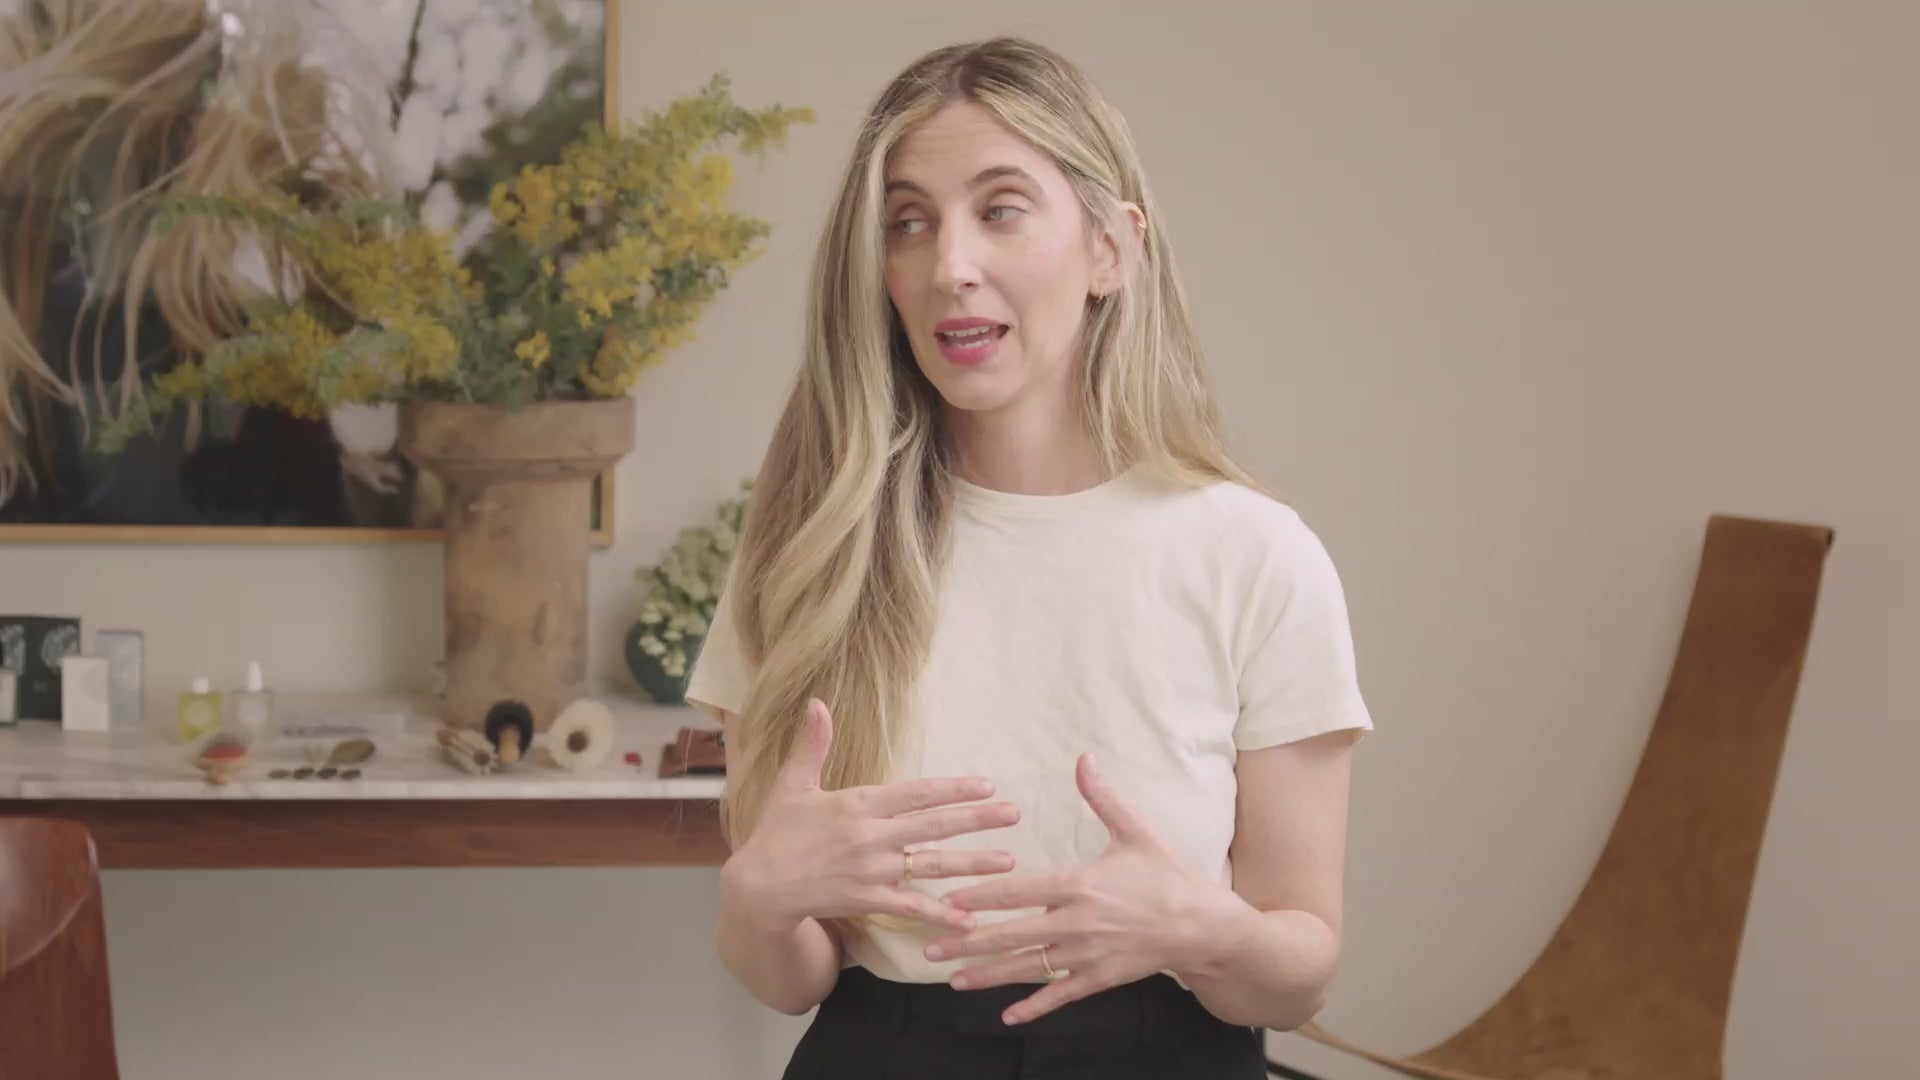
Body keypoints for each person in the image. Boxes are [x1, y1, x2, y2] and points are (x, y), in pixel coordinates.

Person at [685, 35, 1374, 1080]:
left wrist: (1197, 929)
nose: (948, 266)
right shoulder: (808, 553)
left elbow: (1298, 974)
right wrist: (756, 900)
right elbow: (790, 978)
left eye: (1000, 210)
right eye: (908, 222)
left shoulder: (1256, 558)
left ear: (1111, 250)